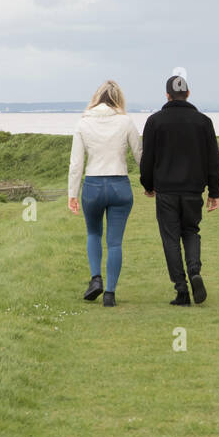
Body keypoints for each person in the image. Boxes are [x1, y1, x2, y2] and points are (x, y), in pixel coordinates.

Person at [139, 74, 219, 306]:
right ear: (188, 94)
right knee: (191, 231)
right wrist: (214, 191)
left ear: (167, 95)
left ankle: (182, 290)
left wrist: (148, 184)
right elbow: (213, 160)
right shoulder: (203, 122)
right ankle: (194, 270)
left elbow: (148, 159)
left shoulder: (155, 122)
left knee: (170, 239)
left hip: (166, 190)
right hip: (193, 190)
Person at [67, 80, 142, 306]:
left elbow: (76, 164)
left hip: (93, 185)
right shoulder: (126, 122)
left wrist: (72, 193)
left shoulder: (83, 123)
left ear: (96, 98)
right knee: (115, 242)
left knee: (93, 234)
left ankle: (95, 279)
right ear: (118, 99)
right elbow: (140, 155)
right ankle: (110, 293)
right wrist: (150, 184)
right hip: (120, 185)